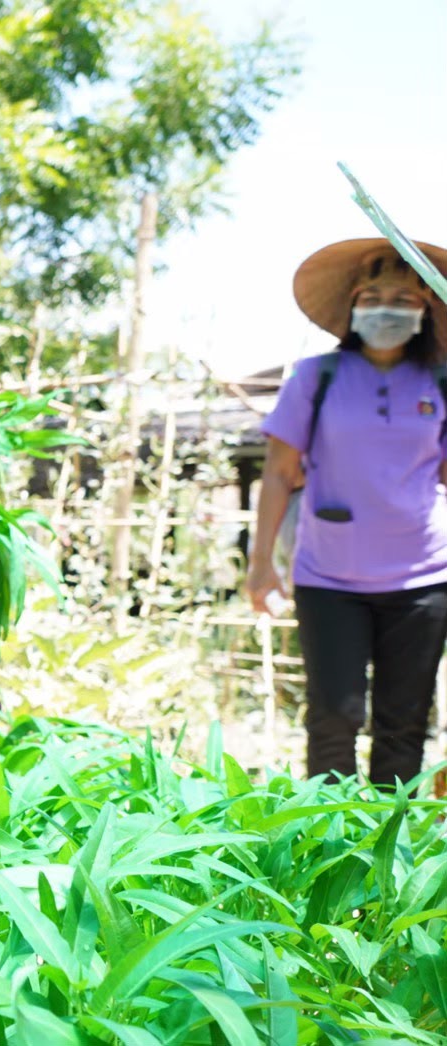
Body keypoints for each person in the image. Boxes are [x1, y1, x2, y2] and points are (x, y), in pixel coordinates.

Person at [247, 238, 447, 787]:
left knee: (404, 721)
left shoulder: (438, 382)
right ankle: (328, 830)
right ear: (354, 304)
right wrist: (261, 565)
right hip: (328, 576)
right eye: (373, 297)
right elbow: (278, 475)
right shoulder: (317, 378)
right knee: (335, 714)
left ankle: (388, 831)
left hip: (424, 578)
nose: (387, 310)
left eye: (403, 299)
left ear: (425, 309)